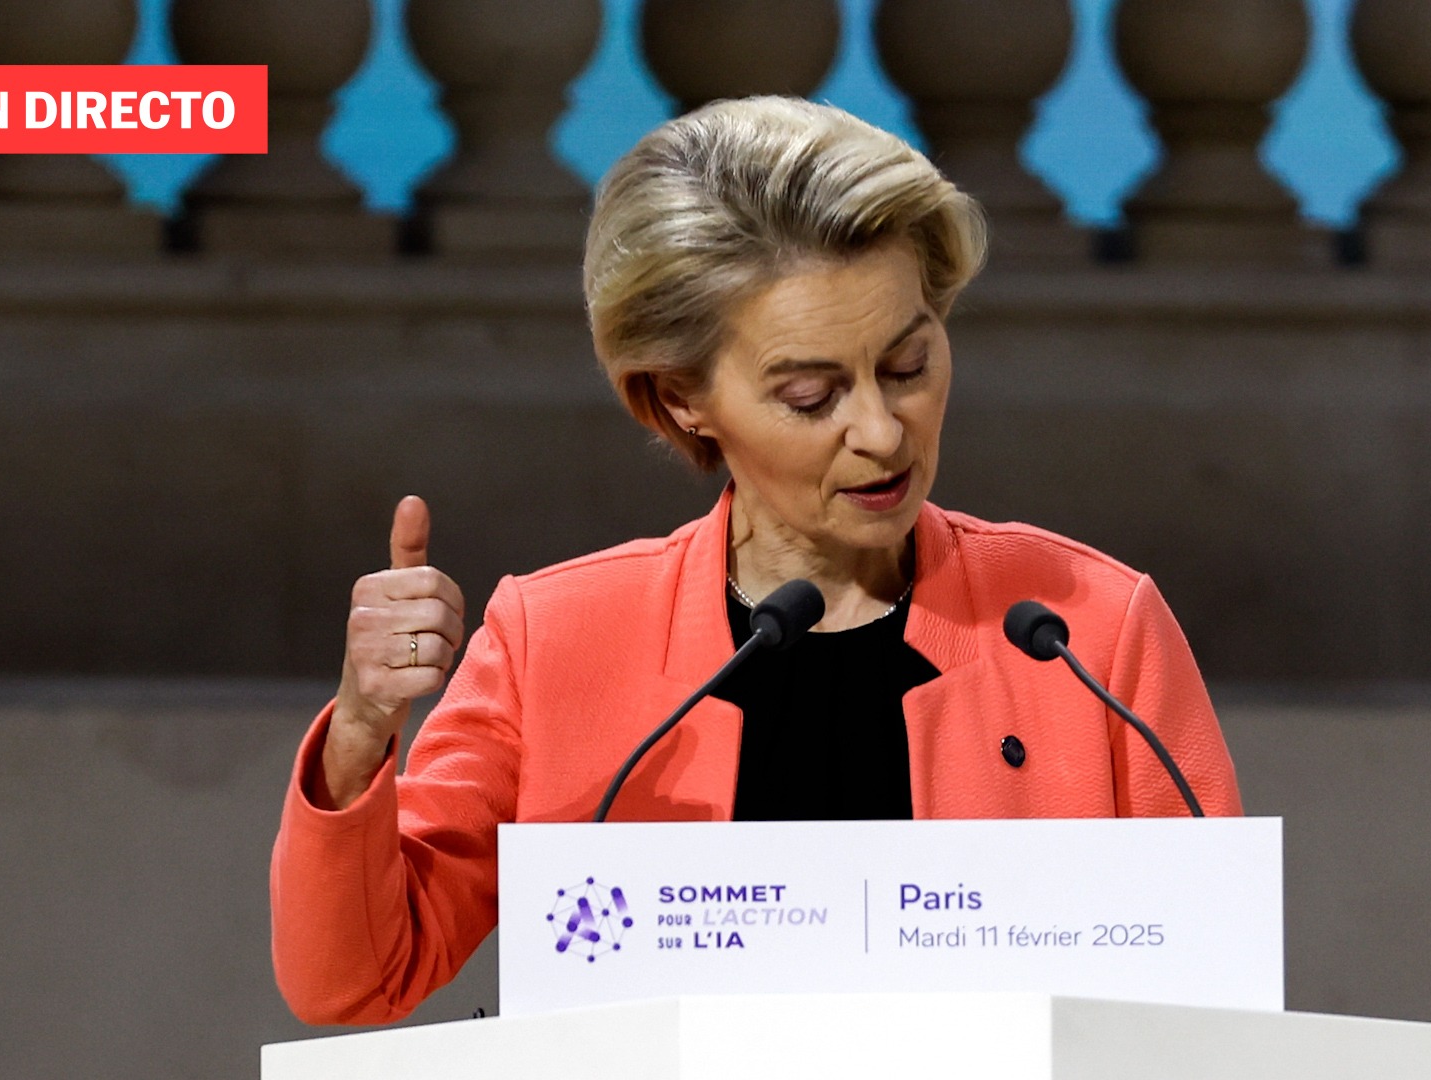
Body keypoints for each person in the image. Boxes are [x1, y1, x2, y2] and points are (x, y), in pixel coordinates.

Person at [271, 96, 1242, 1025]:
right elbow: (354, 980)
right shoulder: (556, 642)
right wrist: (361, 729)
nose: (880, 430)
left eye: (908, 366)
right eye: (813, 393)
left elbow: (1213, 1005)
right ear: (681, 398)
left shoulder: (1087, 632)